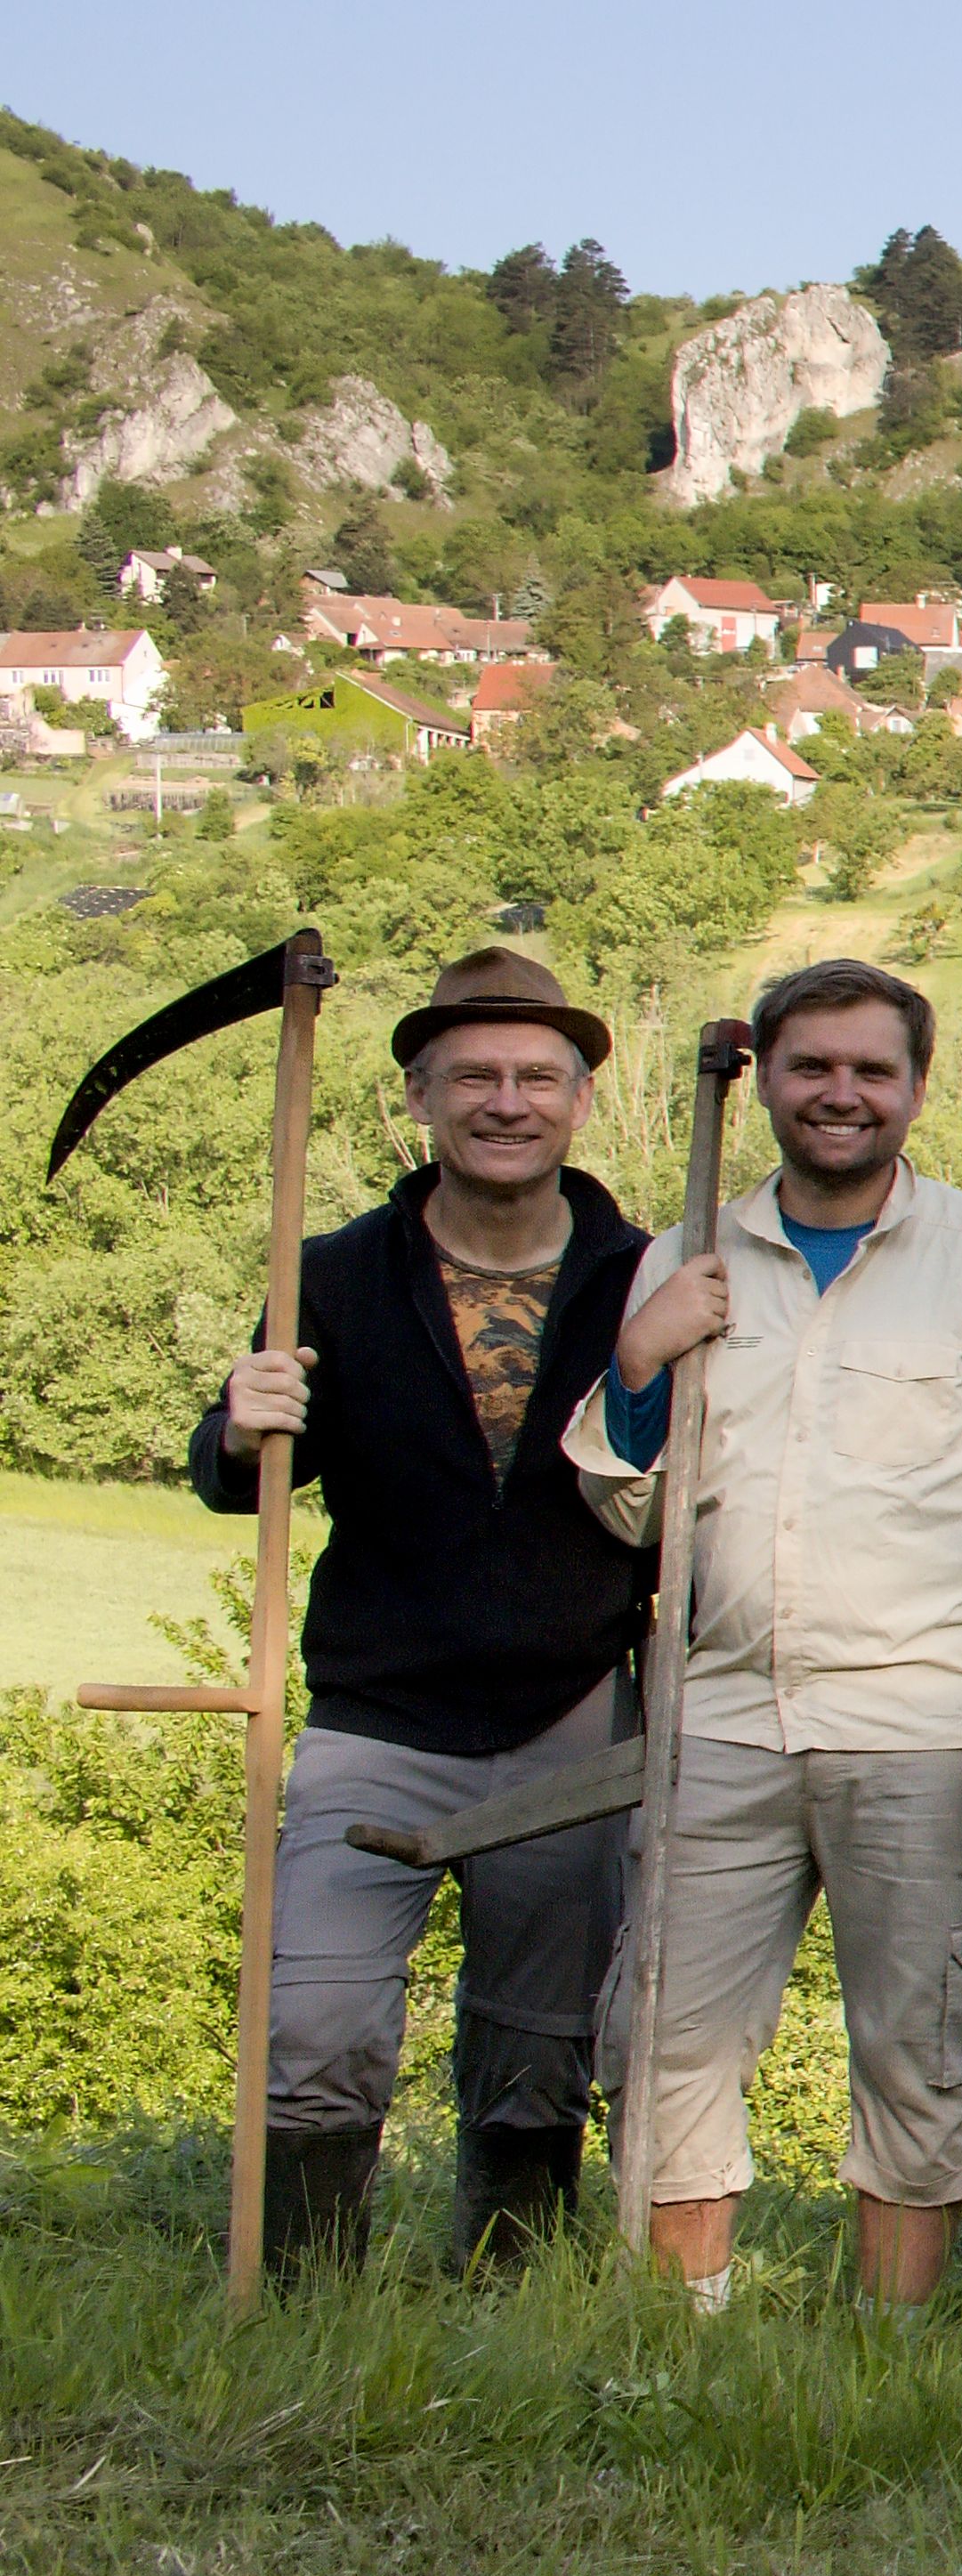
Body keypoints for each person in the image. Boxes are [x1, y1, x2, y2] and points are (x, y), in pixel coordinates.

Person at [574, 959, 962, 2311]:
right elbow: (633, 1510)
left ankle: (890, 2350)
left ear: (916, 1089)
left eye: (873, 1070)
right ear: (763, 1074)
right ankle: (676, 2342)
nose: (841, 1094)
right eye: (812, 1067)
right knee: (665, 2042)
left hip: (924, 1725)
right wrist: (640, 1361)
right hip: (726, 1713)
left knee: (919, 2047)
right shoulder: (690, 1251)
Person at [191, 946, 653, 2279]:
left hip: (574, 1719)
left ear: (578, 1099)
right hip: (372, 1716)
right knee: (318, 2019)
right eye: (473, 1077)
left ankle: (502, 2303)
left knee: (538, 2041)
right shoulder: (329, 1271)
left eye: (534, 1076)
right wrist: (241, 1425)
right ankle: (303, 2305)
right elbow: (238, 1473)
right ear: (418, 1097)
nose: (505, 1101)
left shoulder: (648, 1273)